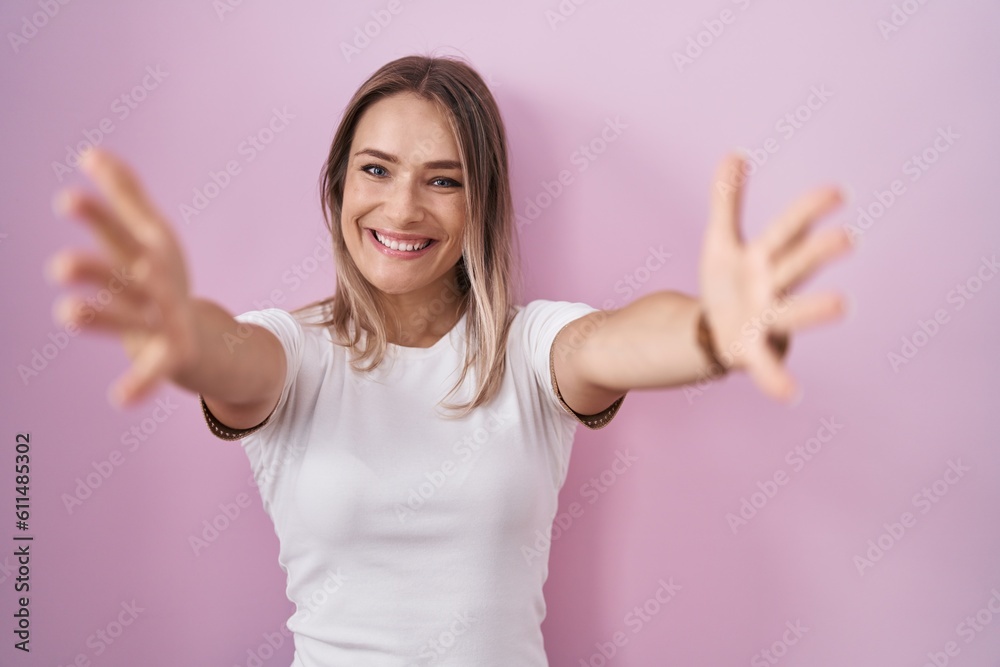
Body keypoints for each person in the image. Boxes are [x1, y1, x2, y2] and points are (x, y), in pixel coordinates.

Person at [46, 55, 853, 666]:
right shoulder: (293, 352)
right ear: (336, 185)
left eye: (444, 180)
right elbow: (230, 355)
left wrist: (716, 332)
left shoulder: (531, 350)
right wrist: (184, 334)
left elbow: (621, 339)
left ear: (484, 206)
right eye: (376, 169)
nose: (401, 208)